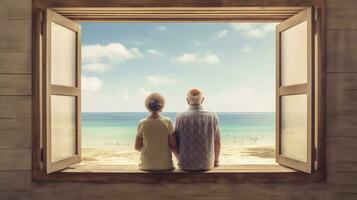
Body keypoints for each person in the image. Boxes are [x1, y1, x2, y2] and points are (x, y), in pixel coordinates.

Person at [174, 88, 221, 171]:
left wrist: (180, 161)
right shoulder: (212, 116)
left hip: (185, 165)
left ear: (187, 101)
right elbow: (217, 141)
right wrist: (216, 161)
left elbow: (176, 142)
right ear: (202, 100)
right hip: (207, 165)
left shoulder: (180, 117)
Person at [134, 93, 178, 171]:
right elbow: (173, 145)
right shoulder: (167, 122)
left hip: (146, 166)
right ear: (162, 107)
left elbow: (137, 147)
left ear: (147, 107)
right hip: (165, 166)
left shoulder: (142, 123)